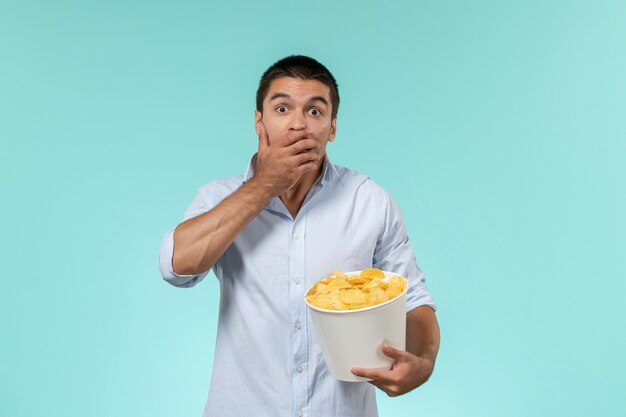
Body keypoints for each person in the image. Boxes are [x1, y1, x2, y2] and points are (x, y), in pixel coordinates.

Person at [159, 55, 440, 417]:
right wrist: (264, 185)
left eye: (314, 111)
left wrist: (423, 361)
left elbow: (413, 298)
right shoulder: (218, 199)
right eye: (282, 108)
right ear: (259, 122)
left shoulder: (369, 201)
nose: (298, 125)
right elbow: (175, 267)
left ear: (332, 127)